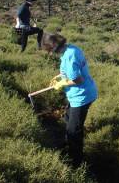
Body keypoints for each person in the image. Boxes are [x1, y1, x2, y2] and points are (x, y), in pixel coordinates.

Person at [41, 32, 98, 166]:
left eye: (48, 51)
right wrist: (59, 77)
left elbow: (78, 79)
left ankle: (76, 161)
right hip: (81, 93)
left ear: (52, 48)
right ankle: (67, 145)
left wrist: (63, 83)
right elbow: (71, 71)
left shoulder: (68, 57)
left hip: (81, 96)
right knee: (68, 118)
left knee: (74, 131)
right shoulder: (72, 48)